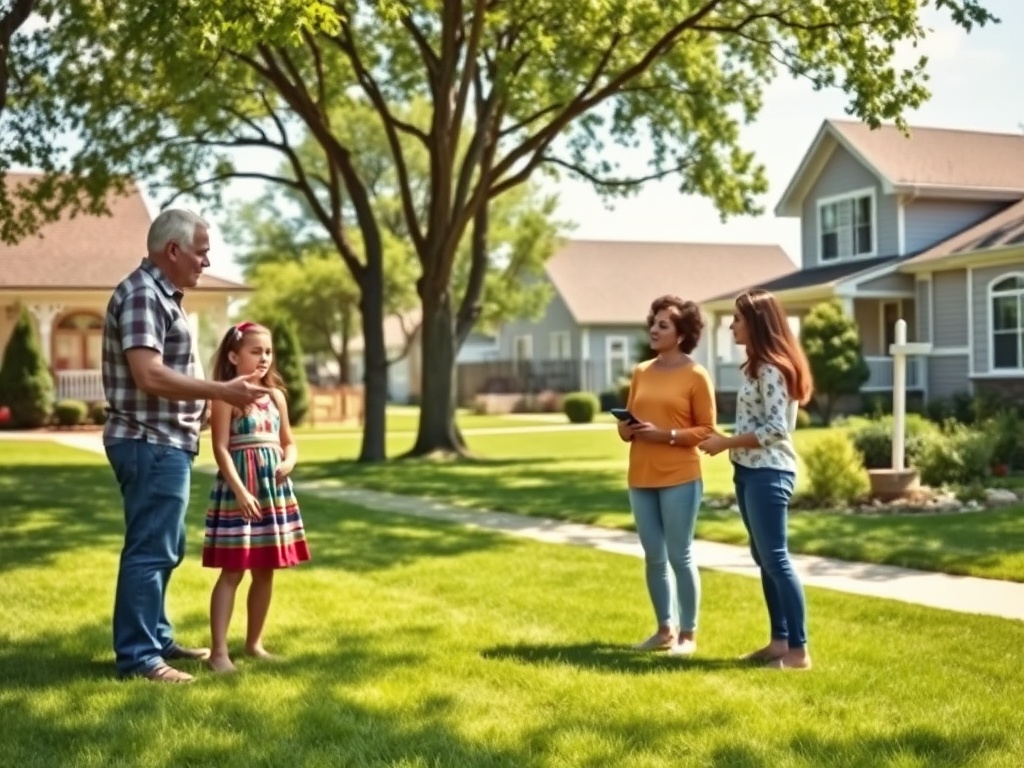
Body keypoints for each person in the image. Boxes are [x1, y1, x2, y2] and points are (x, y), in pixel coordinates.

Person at [103, 209, 270, 684]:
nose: (206, 259)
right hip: (148, 440)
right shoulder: (142, 295)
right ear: (172, 251)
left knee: (166, 546)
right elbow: (148, 374)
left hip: (164, 443)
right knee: (151, 549)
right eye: (201, 251)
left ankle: (155, 638)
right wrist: (221, 392)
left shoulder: (163, 297)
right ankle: (138, 657)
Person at [698, 289, 814, 670]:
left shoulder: (772, 368)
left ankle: (798, 652)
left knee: (776, 558)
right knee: (762, 557)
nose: (732, 324)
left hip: (770, 471)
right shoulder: (755, 366)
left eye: (738, 318)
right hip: (748, 470)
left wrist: (726, 442)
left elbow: (778, 428)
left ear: (757, 323)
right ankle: (779, 642)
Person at [203, 321, 311, 673]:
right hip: (242, 490)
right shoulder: (225, 395)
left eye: (267, 351)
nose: (264, 357)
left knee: (265, 570)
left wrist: (290, 459)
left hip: (272, 490)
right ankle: (219, 652)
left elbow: (288, 442)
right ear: (234, 356)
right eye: (255, 351)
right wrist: (239, 489)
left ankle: (254, 644)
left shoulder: (276, 396)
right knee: (233, 571)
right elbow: (219, 447)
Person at [618, 295, 716, 656]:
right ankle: (664, 630)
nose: (654, 330)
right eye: (653, 322)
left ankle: (688, 636)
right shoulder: (642, 371)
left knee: (680, 555)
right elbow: (627, 422)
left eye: (663, 325)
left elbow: (706, 430)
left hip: (679, 475)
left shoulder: (696, 375)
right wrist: (627, 430)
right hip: (640, 475)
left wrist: (665, 435)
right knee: (653, 556)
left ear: (681, 333)